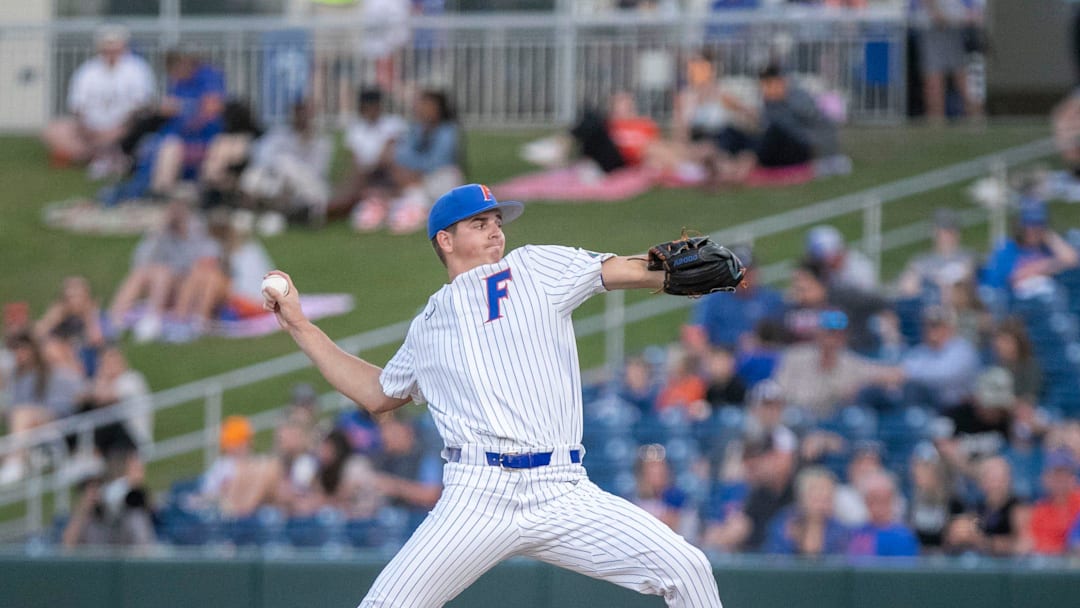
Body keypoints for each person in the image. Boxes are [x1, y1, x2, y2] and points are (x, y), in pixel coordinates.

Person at [262, 183, 723, 606]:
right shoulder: (428, 325)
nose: (495, 232)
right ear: (445, 239)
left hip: (561, 489)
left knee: (688, 568)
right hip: (477, 496)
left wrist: (663, 276)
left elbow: (620, 270)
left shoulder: (533, 268)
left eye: (498, 223)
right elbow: (377, 393)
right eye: (479, 224)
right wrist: (301, 326)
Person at [42, 25, 155, 171]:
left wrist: (119, 129)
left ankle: (97, 154)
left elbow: (142, 105)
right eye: (107, 45)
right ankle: (102, 153)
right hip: (91, 129)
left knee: (139, 132)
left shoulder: (138, 69)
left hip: (124, 128)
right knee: (53, 130)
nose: (111, 50)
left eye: (115, 44)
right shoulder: (87, 70)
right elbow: (77, 106)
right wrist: (88, 129)